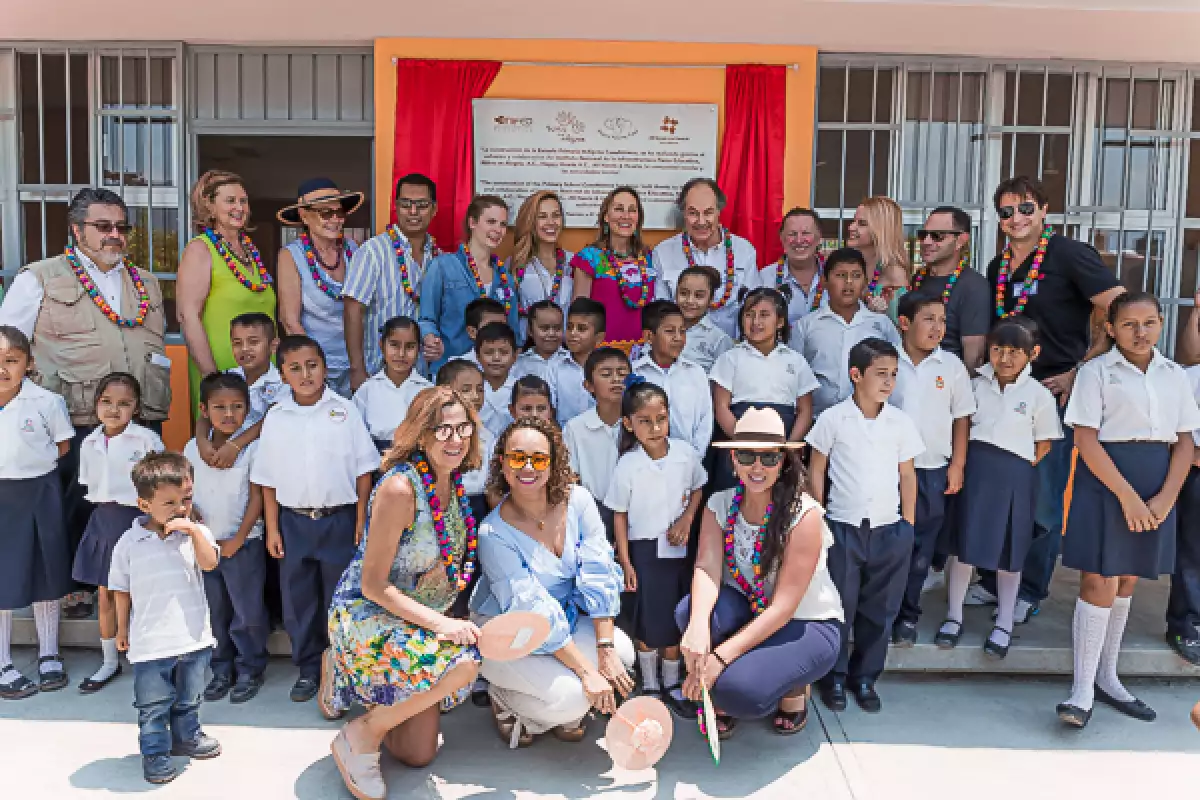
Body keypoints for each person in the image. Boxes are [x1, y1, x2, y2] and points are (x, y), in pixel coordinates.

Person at [0, 187, 171, 618]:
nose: (115, 235)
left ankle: (135, 583)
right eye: (103, 226)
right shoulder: (39, 278)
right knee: (80, 502)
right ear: (77, 230)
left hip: (142, 412)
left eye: (121, 227)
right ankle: (78, 588)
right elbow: (9, 344)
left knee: (140, 501)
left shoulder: (144, 281)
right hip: (75, 415)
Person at [324, 387, 484, 797]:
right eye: (441, 429)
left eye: (461, 427)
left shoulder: (453, 484)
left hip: (416, 620)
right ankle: (362, 730)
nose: (454, 438)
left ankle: (363, 690)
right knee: (464, 663)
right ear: (420, 433)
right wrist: (443, 624)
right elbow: (372, 585)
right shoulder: (401, 488)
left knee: (418, 754)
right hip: (368, 614)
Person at [1056, 292, 1199, 728]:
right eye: (1130, 324)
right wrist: (1128, 497)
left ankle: (1108, 677)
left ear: (1161, 325)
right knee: (1099, 580)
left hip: (1158, 483)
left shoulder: (1175, 375)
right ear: (1111, 328)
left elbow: (1185, 441)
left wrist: (1166, 497)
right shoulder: (1096, 372)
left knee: (1128, 579)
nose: (1141, 333)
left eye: (1150, 323)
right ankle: (1081, 691)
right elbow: (1085, 439)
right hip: (1107, 483)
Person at [984, 176, 1125, 620]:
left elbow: (1120, 306)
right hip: (1006, 390)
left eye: (1025, 208)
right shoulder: (998, 266)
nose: (1016, 219)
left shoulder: (1068, 254)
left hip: (1052, 391)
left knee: (1043, 494)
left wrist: (1081, 370)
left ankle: (1030, 590)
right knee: (1001, 488)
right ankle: (995, 581)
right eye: (1006, 212)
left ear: (1044, 210)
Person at [470, 417, 636, 747]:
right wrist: (588, 673)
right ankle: (505, 698)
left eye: (539, 459)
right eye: (517, 457)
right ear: (501, 462)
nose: (527, 467)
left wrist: (604, 650)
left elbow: (599, 570)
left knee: (623, 653)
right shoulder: (493, 533)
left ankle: (558, 694)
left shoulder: (580, 501)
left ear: (554, 462)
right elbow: (531, 609)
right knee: (572, 699)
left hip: (562, 618)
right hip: (507, 632)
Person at [677, 407, 842, 736]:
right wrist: (697, 629)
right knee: (689, 612)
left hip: (804, 622)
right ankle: (732, 679)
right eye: (748, 455)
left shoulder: (803, 514)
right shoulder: (720, 503)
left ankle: (793, 688)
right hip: (749, 607)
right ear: (733, 459)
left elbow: (784, 606)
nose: (757, 466)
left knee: (738, 692)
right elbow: (707, 567)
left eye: (769, 458)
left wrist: (720, 659)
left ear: (782, 462)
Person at [250, 335, 379, 704]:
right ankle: (308, 668)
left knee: (340, 600)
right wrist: (272, 527)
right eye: (295, 368)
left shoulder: (344, 411)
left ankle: (341, 669)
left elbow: (363, 471)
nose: (305, 374)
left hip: (338, 520)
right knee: (298, 600)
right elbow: (268, 479)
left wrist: (360, 519)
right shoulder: (277, 418)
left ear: (324, 367)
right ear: (282, 374)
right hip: (293, 524)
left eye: (312, 365)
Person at [807, 338, 924, 713]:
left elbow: (907, 475)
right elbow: (817, 469)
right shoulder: (833, 419)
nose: (889, 382)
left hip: (889, 530)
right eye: (880, 374)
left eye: (893, 374)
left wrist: (907, 524)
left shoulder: (900, 422)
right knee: (840, 605)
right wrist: (819, 516)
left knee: (881, 609)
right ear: (856, 375)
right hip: (842, 527)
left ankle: (865, 677)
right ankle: (835, 678)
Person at [936, 318, 1060, 657]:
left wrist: (1014, 469)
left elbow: (1044, 444)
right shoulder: (975, 385)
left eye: (1015, 352)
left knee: (1010, 554)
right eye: (998, 350)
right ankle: (953, 616)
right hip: (974, 474)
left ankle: (1004, 623)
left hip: (1015, 479)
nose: (1005, 359)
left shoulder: (1038, 396)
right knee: (964, 548)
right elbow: (958, 425)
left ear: (1033, 354)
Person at [108, 452, 221, 785]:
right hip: (150, 641)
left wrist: (193, 531)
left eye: (186, 499)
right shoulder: (129, 543)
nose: (180, 509)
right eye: (169, 503)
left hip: (193, 636)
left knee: (191, 695)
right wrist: (121, 627)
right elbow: (120, 588)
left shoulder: (196, 533)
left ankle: (186, 735)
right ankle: (155, 752)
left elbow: (210, 563)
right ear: (144, 505)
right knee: (153, 704)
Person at [605, 379, 705, 703]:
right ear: (628, 424)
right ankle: (650, 682)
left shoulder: (686, 455)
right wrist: (626, 561)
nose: (655, 427)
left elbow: (698, 488)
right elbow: (619, 514)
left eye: (661, 418)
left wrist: (687, 518)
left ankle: (673, 682)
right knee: (648, 621)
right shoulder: (628, 464)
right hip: (644, 552)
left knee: (676, 616)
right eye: (644, 421)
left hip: (679, 548)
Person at [887, 294, 975, 648]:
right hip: (886, 471)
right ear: (904, 323)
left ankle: (907, 615)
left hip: (932, 470)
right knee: (886, 547)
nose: (938, 327)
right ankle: (880, 613)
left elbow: (962, 418)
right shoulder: (886, 360)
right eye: (929, 319)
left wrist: (958, 464)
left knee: (920, 549)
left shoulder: (950, 366)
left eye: (942, 320)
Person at [73, 373, 165, 693]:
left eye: (124, 403)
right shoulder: (90, 443)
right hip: (104, 520)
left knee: (143, 592)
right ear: (96, 403)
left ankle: (148, 656)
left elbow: (161, 480)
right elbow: (90, 486)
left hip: (138, 520)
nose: (114, 409)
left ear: (136, 407)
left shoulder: (145, 440)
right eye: (107, 402)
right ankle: (109, 661)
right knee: (106, 594)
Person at [0, 325, 74, 700]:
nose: (3, 369)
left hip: (39, 491)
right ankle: (2, 662)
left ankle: (49, 654)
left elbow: (63, 447)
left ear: (28, 363)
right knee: (2, 576)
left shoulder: (46, 402)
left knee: (46, 571)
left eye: (11, 361)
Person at [186, 372, 269, 704]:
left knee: (247, 612)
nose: (229, 414)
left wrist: (239, 538)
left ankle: (250, 668)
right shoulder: (194, 447)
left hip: (243, 545)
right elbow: (185, 489)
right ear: (204, 410)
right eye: (219, 407)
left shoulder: (253, 449)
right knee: (214, 609)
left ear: (248, 410)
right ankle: (221, 668)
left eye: (237, 407)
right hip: (206, 547)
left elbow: (257, 496)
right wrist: (190, 516)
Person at [177, 170, 276, 411]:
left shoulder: (250, 252)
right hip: (223, 370)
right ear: (209, 206)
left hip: (265, 373)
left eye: (243, 201)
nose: (239, 207)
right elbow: (187, 316)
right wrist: (212, 379)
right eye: (230, 201)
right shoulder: (200, 249)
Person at [710, 288, 819, 491]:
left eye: (764, 315)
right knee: (734, 497)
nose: (756, 322)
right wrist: (743, 442)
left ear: (780, 322)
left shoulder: (795, 361)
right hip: (738, 437)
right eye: (749, 315)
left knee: (780, 498)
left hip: (782, 437)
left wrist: (788, 447)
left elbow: (805, 410)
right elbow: (721, 407)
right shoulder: (730, 358)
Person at [344, 173, 440, 391]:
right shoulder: (373, 252)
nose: (413, 212)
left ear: (434, 209)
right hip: (376, 375)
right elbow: (352, 310)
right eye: (406, 204)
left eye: (422, 205)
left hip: (422, 378)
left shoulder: (439, 257)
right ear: (396, 207)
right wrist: (357, 369)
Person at [275, 178, 365, 396]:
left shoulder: (354, 250)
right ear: (304, 216)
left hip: (360, 363)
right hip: (317, 370)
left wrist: (359, 365)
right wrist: (314, 369)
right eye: (326, 213)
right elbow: (290, 321)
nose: (336, 219)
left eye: (340, 212)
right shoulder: (291, 255)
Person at [792, 248, 901, 418]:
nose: (849, 282)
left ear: (865, 282)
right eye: (841, 275)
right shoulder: (806, 326)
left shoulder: (881, 324)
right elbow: (794, 376)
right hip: (818, 420)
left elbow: (898, 370)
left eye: (856, 276)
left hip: (870, 420)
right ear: (824, 281)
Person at [420, 195, 521, 373]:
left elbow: (512, 331)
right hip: (450, 371)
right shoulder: (443, 266)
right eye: (491, 222)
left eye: (503, 224)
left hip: (492, 377)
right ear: (472, 222)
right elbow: (427, 318)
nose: (498, 230)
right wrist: (430, 338)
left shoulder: (505, 278)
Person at [653, 178, 758, 338]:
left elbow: (753, 305)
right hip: (682, 351)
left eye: (708, 213)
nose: (701, 222)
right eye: (693, 213)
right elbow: (661, 311)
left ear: (719, 212)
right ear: (684, 213)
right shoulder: (663, 252)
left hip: (730, 350)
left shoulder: (744, 250)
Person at [193, 313, 285, 468]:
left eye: (253, 342)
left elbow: (270, 420)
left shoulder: (282, 383)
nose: (244, 349)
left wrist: (235, 446)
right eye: (237, 343)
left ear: (273, 346)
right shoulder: (226, 377)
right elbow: (205, 415)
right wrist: (201, 442)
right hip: (221, 453)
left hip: (261, 459)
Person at [570, 187, 657, 351]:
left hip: (641, 355)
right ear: (606, 216)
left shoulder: (648, 258)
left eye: (632, 210)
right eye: (618, 209)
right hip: (601, 354)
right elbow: (579, 314)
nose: (626, 216)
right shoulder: (590, 258)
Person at [908, 206, 991, 370]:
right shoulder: (918, 278)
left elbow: (974, 359)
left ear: (961, 240)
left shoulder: (973, 286)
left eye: (937, 236)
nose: (927, 242)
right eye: (923, 235)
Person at [563, 347, 631, 532]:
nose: (616, 379)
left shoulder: (639, 423)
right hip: (593, 512)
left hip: (635, 512)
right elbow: (570, 478)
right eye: (606, 374)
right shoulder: (576, 428)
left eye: (622, 373)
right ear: (589, 386)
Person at [632, 300, 713, 455]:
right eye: (669, 331)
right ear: (649, 336)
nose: (678, 338)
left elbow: (705, 420)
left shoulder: (696, 373)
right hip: (643, 460)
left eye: (682, 331)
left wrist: (695, 457)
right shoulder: (636, 373)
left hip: (688, 459)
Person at [352, 317, 433, 454]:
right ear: (382, 346)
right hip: (376, 461)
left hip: (419, 462)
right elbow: (356, 437)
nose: (401, 354)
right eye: (394, 345)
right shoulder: (367, 390)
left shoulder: (428, 390)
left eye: (410, 347)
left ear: (419, 349)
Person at [1169, 359, 1200, 665]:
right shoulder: (1190, 378)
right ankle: (1186, 624)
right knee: (1192, 552)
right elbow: (1178, 435)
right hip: (1196, 471)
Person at [512, 191, 575, 323]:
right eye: (542, 216)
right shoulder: (515, 265)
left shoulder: (573, 262)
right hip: (526, 342)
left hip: (565, 342)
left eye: (556, 215)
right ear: (530, 222)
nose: (551, 222)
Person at [758, 208, 827, 326]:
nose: (799, 240)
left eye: (805, 233)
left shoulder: (833, 275)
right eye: (792, 234)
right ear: (782, 238)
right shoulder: (765, 278)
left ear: (819, 237)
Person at [845, 196, 910, 321]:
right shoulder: (854, 265)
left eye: (862, 223)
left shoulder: (894, 274)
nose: (851, 227)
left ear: (881, 230)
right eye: (854, 221)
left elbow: (899, 331)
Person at [547, 298, 607, 426]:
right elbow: (548, 410)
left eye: (581, 329)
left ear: (599, 338)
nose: (573, 333)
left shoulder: (607, 366)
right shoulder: (554, 366)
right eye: (569, 327)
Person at [674, 266, 734, 373]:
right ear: (675, 294)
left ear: (711, 299)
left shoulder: (719, 340)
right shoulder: (661, 328)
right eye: (683, 293)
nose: (690, 301)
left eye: (699, 296)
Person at [476, 322, 520, 439]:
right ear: (477, 357)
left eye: (504, 352)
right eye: (489, 352)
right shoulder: (472, 389)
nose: (496, 358)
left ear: (514, 356)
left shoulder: (521, 388)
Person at [512, 300, 567, 381]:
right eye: (544, 328)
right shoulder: (520, 364)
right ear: (530, 330)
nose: (551, 334)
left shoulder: (571, 361)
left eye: (557, 328)